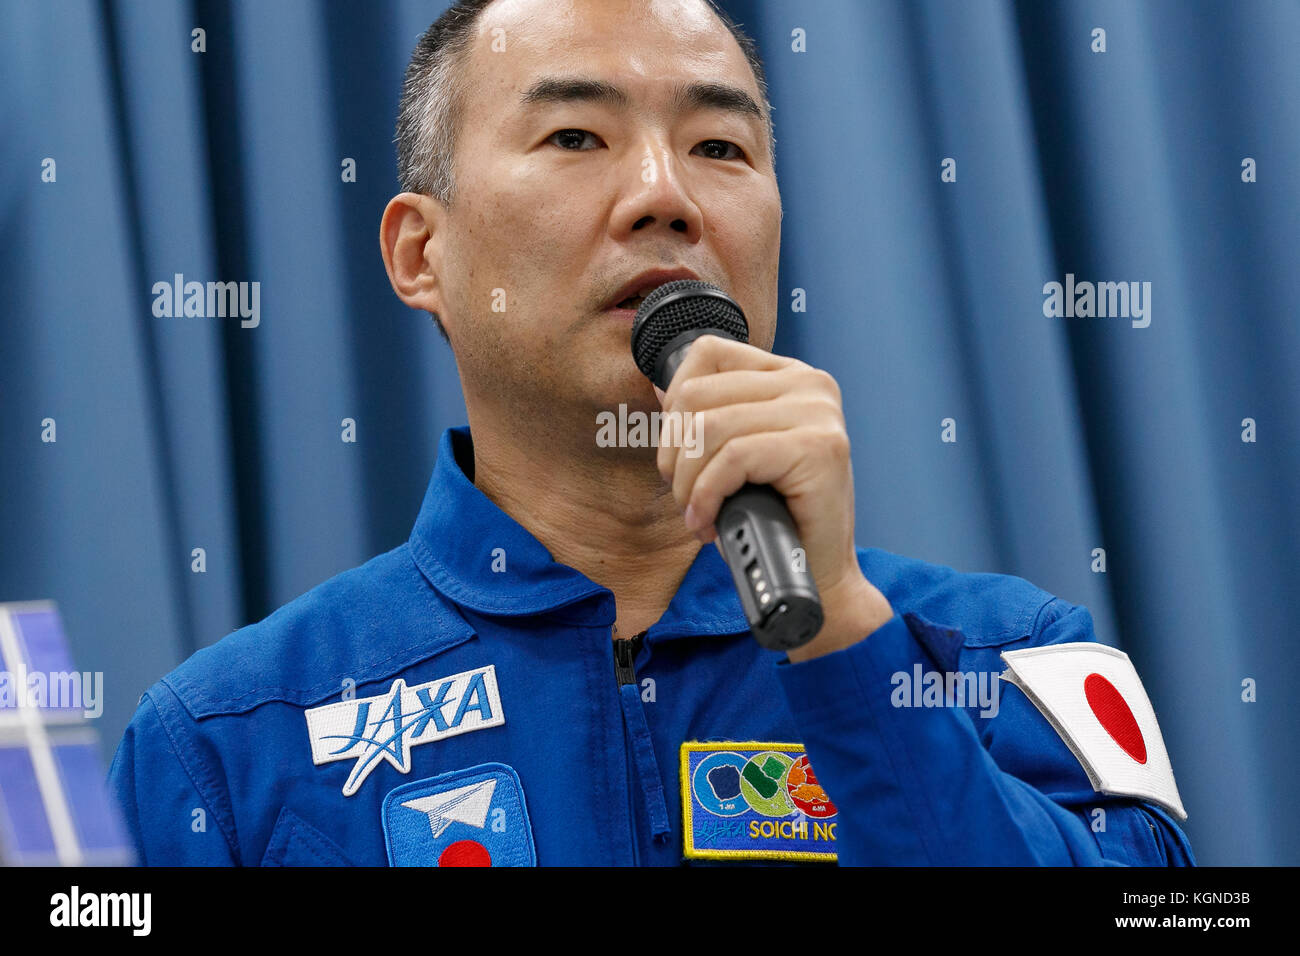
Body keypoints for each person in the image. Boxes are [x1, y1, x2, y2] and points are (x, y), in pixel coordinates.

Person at [109, 0, 1194, 866]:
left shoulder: (1008, 651)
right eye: (576, 134)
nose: (663, 196)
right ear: (419, 254)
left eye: (719, 145)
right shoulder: (226, 735)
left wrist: (846, 644)